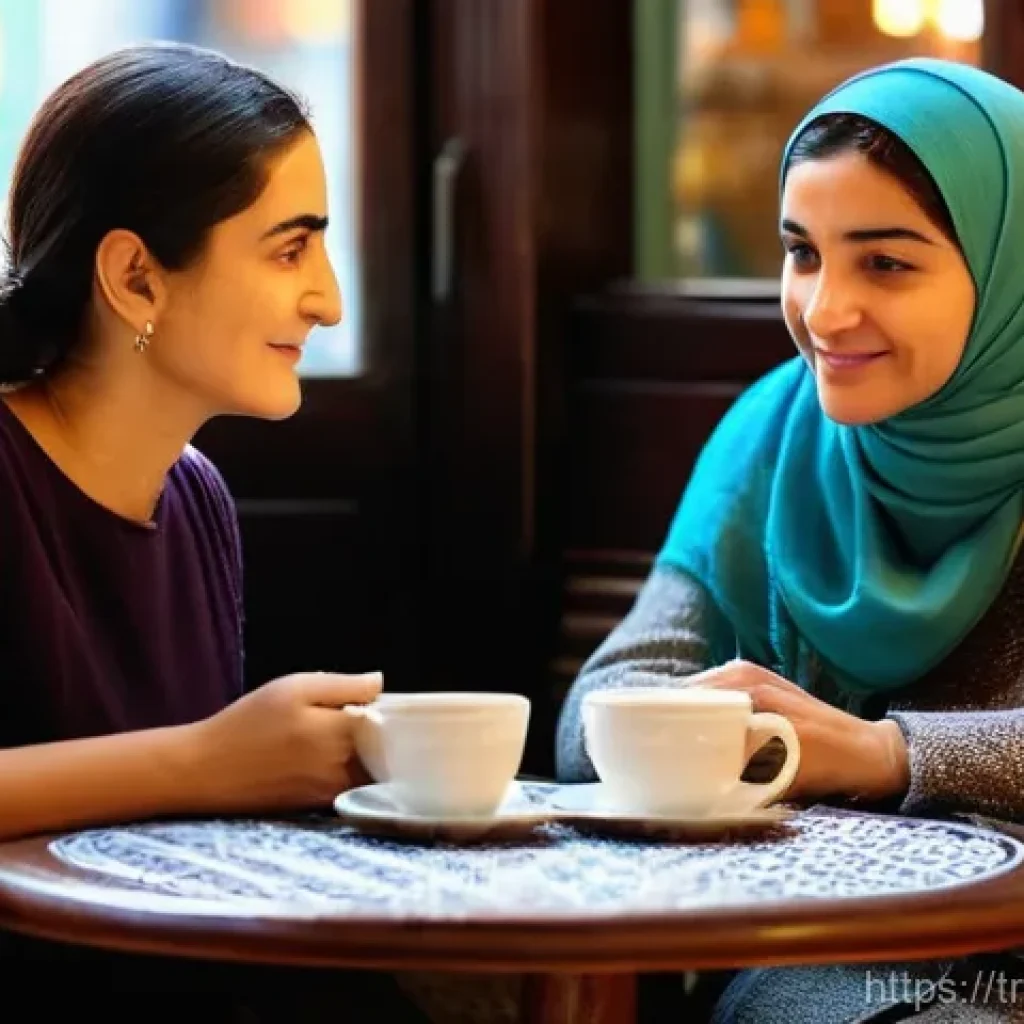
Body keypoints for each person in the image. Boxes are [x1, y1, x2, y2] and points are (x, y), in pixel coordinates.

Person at [557, 57, 1024, 1023]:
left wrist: (884, 754)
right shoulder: (777, 430)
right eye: (803, 252)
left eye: (885, 263)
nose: (822, 311)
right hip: (834, 960)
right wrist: (699, 728)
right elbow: (594, 715)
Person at [0, 41, 432, 1020]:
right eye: (289, 249)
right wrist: (208, 762)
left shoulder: (196, 498)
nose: (329, 301)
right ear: (135, 278)